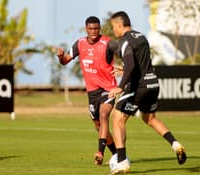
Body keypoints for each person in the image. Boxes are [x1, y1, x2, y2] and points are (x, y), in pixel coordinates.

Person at [108, 11, 187, 174]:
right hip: (153, 82)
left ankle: (122, 162)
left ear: (119, 24)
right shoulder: (141, 37)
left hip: (139, 86)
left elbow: (130, 65)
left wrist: (120, 86)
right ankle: (175, 144)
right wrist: (124, 69)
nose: (113, 30)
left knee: (117, 118)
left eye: (113, 26)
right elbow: (139, 64)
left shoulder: (124, 41)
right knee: (149, 118)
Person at [57, 16, 118, 166]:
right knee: (98, 125)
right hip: (92, 92)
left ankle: (100, 153)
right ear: (86, 29)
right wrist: (60, 57)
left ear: (100, 29)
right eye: (91, 29)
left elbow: (125, 54)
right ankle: (117, 154)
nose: (93, 32)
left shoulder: (108, 43)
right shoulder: (80, 44)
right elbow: (66, 60)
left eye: (96, 28)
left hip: (108, 89)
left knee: (104, 116)